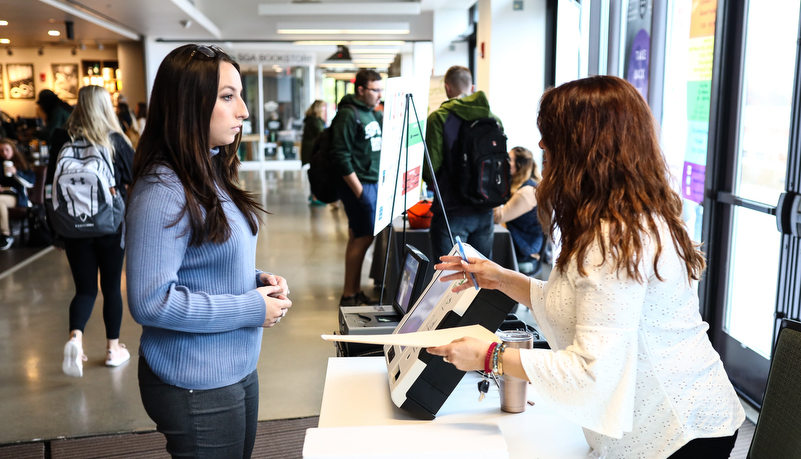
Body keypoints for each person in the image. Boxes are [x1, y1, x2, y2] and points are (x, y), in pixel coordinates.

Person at [427, 76, 745, 458]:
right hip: (652, 420)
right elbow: (582, 306)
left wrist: (490, 356)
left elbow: (590, 372)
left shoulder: (615, 238)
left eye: (550, 135)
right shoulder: (617, 216)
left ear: (583, 146)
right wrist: (502, 279)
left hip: (676, 431)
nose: (541, 145)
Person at [125, 44, 292, 458]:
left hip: (233, 365)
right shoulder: (163, 190)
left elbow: (203, 262)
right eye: (227, 97)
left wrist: (256, 284)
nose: (244, 112)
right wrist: (250, 308)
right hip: (194, 379)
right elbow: (150, 302)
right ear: (189, 104)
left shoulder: (211, 170)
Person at [45, 85, 135, 377]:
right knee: (110, 289)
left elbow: (50, 186)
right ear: (105, 106)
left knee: (84, 289)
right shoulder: (114, 139)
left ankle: (76, 339)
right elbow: (134, 178)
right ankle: (113, 349)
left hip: (72, 227)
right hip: (110, 225)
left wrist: (56, 232)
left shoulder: (60, 137)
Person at [424, 65, 502, 260]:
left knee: (448, 278)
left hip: (451, 209)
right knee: (484, 276)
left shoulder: (438, 118)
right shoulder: (493, 118)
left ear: (447, 88)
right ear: (472, 88)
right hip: (485, 208)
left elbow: (430, 169)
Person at [330, 69, 384, 306]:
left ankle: (353, 290)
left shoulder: (370, 113)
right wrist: (360, 192)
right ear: (361, 90)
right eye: (375, 90)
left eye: (381, 90)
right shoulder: (348, 114)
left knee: (358, 237)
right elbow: (341, 156)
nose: (379, 95)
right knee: (362, 238)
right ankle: (349, 294)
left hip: (371, 182)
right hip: (359, 185)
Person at [492, 146, 544, 276]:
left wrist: (496, 185)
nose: (505, 162)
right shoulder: (525, 186)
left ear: (519, 165)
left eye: (509, 159)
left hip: (524, 251)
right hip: (522, 246)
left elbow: (497, 217)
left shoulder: (527, 192)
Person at [0, 138, 35, 250]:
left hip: (19, 197)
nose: (4, 153)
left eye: (6, 150)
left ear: (13, 150)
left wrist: (16, 173)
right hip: (4, 194)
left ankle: (5, 235)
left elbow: (30, 183)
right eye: (1, 150)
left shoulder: (22, 165)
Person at [301, 100, 327, 205]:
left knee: (314, 172)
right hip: (312, 151)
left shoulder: (312, 120)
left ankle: (314, 195)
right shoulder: (314, 121)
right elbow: (322, 133)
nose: (325, 110)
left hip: (311, 150)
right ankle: (315, 196)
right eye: (323, 108)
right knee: (315, 173)